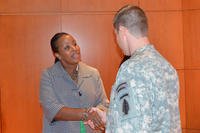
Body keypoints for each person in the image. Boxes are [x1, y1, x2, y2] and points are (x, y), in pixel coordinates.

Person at [106, 5, 181, 133]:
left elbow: (129, 128)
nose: (117, 41)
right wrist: (111, 118)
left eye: (116, 35)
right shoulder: (167, 66)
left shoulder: (131, 68)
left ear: (123, 31)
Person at [39, 32, 109, 133]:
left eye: (75, 44)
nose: (75, 48)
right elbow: (52, 109)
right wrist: (87, 114)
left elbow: (104, 104)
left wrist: (97, 114)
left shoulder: (93, 73)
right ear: (57, 55)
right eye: (67, 48)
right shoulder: (48, 75)